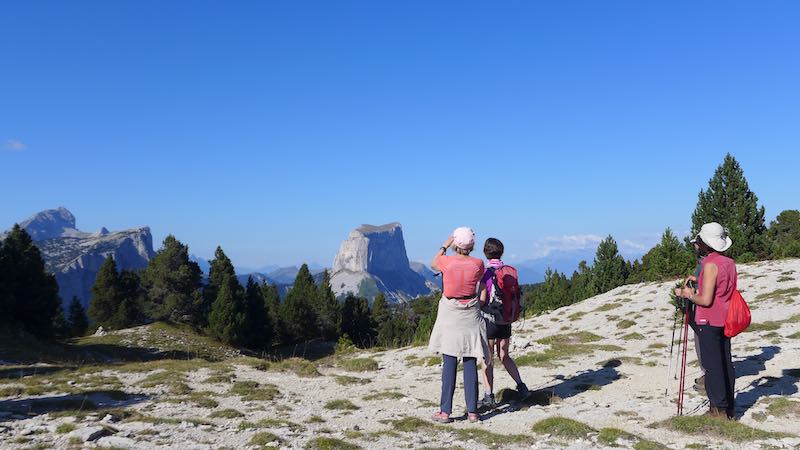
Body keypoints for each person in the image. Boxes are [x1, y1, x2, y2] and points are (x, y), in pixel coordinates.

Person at [674, 222, 737, 419]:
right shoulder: (729, 263)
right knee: (725, 362)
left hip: (709, 320)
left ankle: (717, 410)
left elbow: (705, 299)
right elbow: (722, 288)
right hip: (726, 318)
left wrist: (687, 293)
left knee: (712, 366)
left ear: (703, 243)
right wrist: (698, 280)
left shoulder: (710, 264)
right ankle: (729, 407)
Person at [428, 227, 489, 423]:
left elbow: (433, 263)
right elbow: (479, 280)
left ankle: (445, 411)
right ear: (472, 245)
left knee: (450, 362)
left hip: (451, 313)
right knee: (471, 360)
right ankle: (472, 411)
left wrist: (445, 244)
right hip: (470, 313)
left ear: (456, 244)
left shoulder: (446, 261)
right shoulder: (478, 263)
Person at [477, 238, 529, 409]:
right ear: (502, 252)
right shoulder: (509, 271)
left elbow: (483, 299)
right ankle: (521, 386)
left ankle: (488, 396)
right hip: (506, 318)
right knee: (504, 355)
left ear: (485, 253)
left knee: (488, 358)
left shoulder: (485, 273)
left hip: (490, 319)